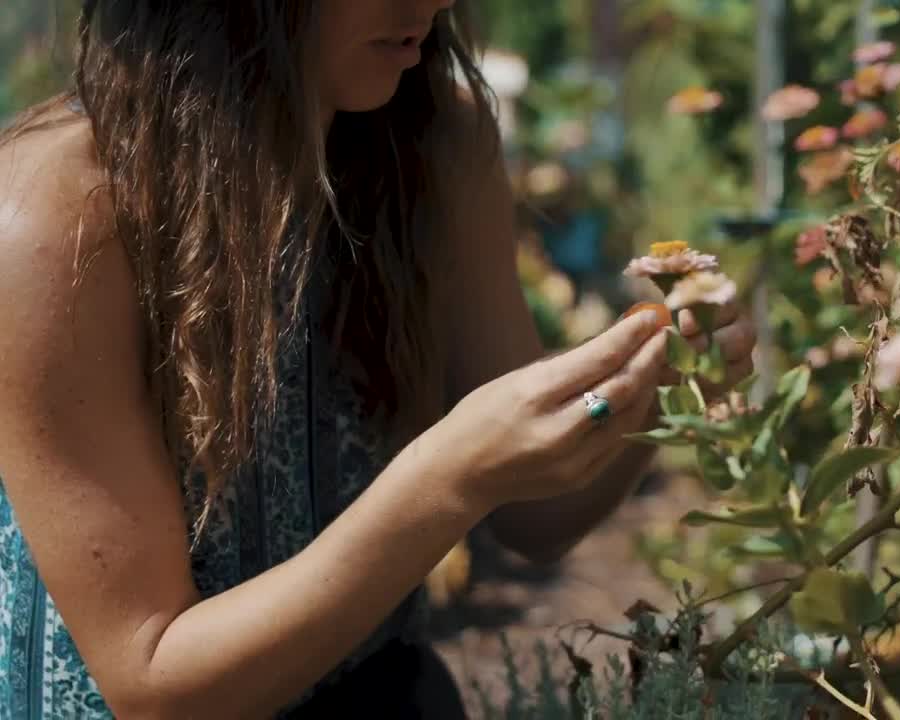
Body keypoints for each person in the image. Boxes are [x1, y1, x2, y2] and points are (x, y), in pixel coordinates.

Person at [0, 1, 757, 718]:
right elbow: (154, 686)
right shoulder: (57, 219)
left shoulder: (432, 144)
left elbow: (536, 518)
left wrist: (657, 383)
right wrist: (447, 478)